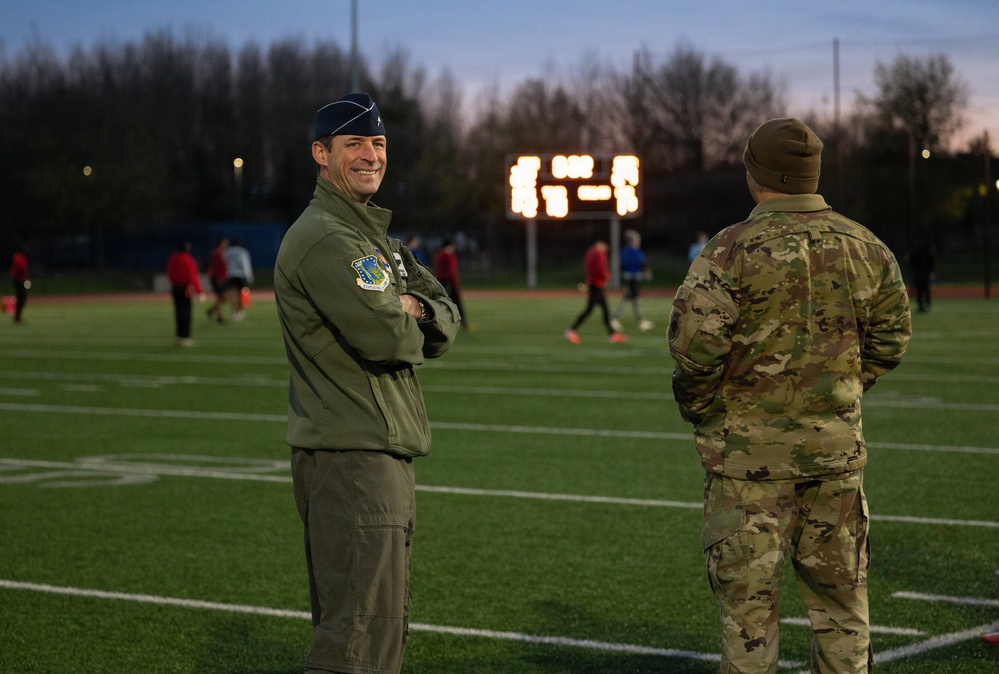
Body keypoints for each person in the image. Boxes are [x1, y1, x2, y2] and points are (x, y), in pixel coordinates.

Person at [667, 117, 912, 674]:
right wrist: (842, 386)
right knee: (844, 613)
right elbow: (893, 337)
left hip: (747, 470)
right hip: (834, 461)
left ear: (756, 175)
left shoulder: (728, 251)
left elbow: (694, 350)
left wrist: (707, 409)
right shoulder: (866, 247)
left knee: (749, 625)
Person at [274, 92, 460, 674]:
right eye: (353, 143)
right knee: (354, 637)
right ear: (320, 154)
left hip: (373, 452)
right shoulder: (331, 238)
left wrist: (417, 308)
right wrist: (405, 311)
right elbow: (388, 338)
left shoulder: (373, 238)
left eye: (377, 143)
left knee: (379, 629)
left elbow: (446, 320)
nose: (369, 155)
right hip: (352, 458)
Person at [565, 240, 627, 344]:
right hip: (597, 285)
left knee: (604, 311)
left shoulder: (590, 253)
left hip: (594, 284)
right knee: (591, 310)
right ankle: (571, 330)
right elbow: (599, 269)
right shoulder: (598, 254)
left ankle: (612, 334)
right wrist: (607, 276)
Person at [610, 229, 654, 333]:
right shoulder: (635, 251)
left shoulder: (625, 251)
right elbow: (641, 262)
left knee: (633, 299)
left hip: (627, 277)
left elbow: (622, 264)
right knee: (630, 298)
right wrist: (646, 272)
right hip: (633, 278)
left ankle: (640, 320)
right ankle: (615, 319)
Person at [166, 240, 204, 347]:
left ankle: (179, 336)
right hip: (185, 288)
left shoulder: (173, 258)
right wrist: (199, 291)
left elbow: (169, 272)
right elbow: (193, 276)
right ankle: (185, 337)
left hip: (175, 287)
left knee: (178, 312)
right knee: (186, 313)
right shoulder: (187, 259)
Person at [433, 238, 471, 330]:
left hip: (440, 281)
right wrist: (455, 282)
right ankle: (463, 323)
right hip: (449, 282)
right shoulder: (449, 255)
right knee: (456, 302)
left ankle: (437, 322)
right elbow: (451, 270)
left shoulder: (439, 255)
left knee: (440, 302)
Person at [224, 237, 254, 321]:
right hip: (240, 275)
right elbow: (245, 264)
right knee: (240, 294)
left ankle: (234, 312)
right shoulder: (242, 251)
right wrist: (249, 276)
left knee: (233, 294)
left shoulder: (227, 252)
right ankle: (239, 311)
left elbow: (224, 263)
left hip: (230, 275)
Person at [907, 236, 935, 313]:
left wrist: (931, 271)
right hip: (919, 273)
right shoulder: (918, 251)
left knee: (924, 289)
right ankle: (921, 305)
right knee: (921, 289)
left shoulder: (924, 251)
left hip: (922, 273)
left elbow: (930, 262)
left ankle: (926, 304)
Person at [206, 236, 229, 322]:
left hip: (222, 278)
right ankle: (219, 316)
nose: (226, 244)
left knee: (224, 297)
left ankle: (212, 310)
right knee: (219, 297)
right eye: (224, 243)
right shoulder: (216, 253)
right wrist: (219, 278)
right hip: (217, 278)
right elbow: (215, 266)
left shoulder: (224, 253)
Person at [10, 245, 29, 324]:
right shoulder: (18, 256)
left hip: (20, 279)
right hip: (19, 279)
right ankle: (17, 317)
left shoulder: (20, 256)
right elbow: (21, 267)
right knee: (21, 298)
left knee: (22, 298)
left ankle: (17, 317)